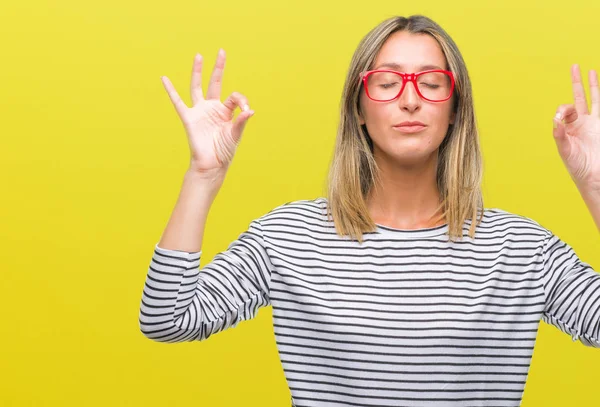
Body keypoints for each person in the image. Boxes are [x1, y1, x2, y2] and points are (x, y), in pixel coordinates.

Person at [139, 15, 600, 407]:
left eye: (432, 82)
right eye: (386, 82)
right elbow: (168, 319)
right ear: (358, 107)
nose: (410, 99)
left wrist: (596, 183)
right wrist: (203, 174)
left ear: (457, 108)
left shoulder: (520, 249)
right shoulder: (286, 237)